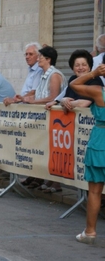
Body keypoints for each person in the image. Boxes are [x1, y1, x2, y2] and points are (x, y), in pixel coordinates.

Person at [44, 50, 103, 193]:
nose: (81, 68)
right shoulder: (72, 81)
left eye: (84, 64)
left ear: (90, 67)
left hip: (94, 137)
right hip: (78, 138)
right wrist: (63, 101)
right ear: (72, 67)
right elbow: (63, 98)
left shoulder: (96, 82)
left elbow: (84, 103)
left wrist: (70, 103)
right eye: (77, 65)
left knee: (96, 187)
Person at [18, 45, 68, 189]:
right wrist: (23, 98)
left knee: (54, 149)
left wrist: (33, 101)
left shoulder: (54, 75)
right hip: (43, 119)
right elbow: (40, 94)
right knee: (44, 148)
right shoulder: (44, 75)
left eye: (41, 57)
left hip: (54, 119)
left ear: (48, 59)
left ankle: (56, 182)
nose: (38, 59)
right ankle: (46, 178)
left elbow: (53, 97)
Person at [70, 62, 105, 245]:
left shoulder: (99, 93)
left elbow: (74, 85)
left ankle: (90, 231)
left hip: (100, 141)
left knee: (95, 190)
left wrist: (93, 73)